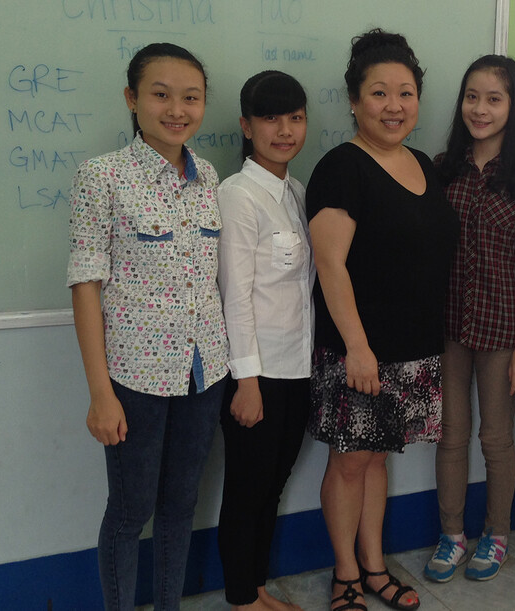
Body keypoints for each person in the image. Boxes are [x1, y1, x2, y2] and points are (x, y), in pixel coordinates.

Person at [68, 43, 229, 610]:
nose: (177, 109)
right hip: (134, 379)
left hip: (204, 373)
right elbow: (85, 287)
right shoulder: (102, 177)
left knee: (181, 506)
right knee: (131, 511)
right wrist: (100, 393)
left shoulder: (207, 175)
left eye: (191, 97)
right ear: (133, 99)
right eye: (161, 95)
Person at [306, 28, 459, 611]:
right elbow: (330, 265)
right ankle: (345, 574)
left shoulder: (423, 163)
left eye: (405, 93)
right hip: (358, 352)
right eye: (378, 93)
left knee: (375, 459)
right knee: (349, 461)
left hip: (413, 349)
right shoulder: (341, 168)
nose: (394, 106)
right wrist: (358, 348)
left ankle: (373, 566)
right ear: (353, 100)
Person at [423, 55, 515, 584]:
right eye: (472, 96)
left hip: (502, 334)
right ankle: (451, 535)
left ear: (512, 106)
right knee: (450, 435)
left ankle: (496, 534)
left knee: (496, 439)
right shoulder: (441, 168)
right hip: (448, 328)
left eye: (494, 99)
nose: (480, 108)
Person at [215, 70, 311, 611]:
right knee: (247, 489)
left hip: (298, 366)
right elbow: (236, 294)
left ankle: (255, 588)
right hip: (258, 374)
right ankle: (241, 598)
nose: (284, 130)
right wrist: (246, 381)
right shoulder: (238, 195)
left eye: (295, 118)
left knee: (271, 486)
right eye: (271, 118)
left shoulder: (296, 192)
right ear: (247, 127)